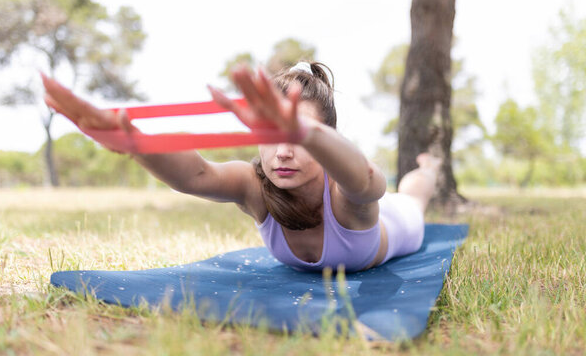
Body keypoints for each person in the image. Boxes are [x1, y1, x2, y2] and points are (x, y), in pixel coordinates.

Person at [41, 61, 441, 273]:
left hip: (399, 219)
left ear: (326, 138)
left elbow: (370, 183)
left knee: (415, 193)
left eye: (299, 137)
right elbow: (195, 174)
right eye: (272, 134)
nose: (283, 151)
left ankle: (431, 166)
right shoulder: (256, 186)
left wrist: (309, 134)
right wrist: (133, 142)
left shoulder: (343, 192)